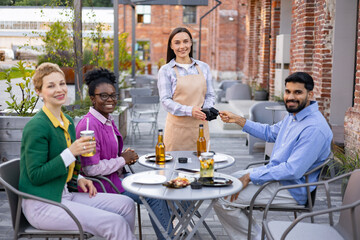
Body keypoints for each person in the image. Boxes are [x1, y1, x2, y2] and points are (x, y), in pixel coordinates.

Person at [19, 63, 136, 240]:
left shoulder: (66, 121)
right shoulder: (36, 126)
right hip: (42, 204)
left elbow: (62, 165)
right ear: (39, 91)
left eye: (62, 83)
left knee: (127, 204)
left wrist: (79, 178)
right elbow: (36, 175)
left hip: (64, 194)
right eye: (51, 86)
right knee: (114, 222)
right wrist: (71, 152)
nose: (59, 89)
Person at [213, 72, 333, 240]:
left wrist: (251, 175)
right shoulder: (293, 116)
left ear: (310, 94)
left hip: (290, 188)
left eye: (297, 92)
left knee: (222, 198)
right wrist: (239, 120)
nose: (291, 97)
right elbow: (270, 132)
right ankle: (257, 235)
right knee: (223, 185)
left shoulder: (314, 128)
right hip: (275, 177)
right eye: (288, 91)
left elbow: (292, 170)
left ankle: (257, 237)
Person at [76, 68, 173, 239]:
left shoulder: (106, 119)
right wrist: (122, 159)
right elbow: (91, 169)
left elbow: (106, 153)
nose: (110, 100)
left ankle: (172, 229)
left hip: (117, 178)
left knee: (162, 185)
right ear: (92, 98)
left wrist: (123, 156)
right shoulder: (89, 126)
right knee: (155, 196)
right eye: (103, 96)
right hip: (102, 185)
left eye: (113, 95)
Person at [157, 27, 216, 151]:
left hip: (200, 128)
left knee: (201, 167)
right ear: (171, 46)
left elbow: (210, 95)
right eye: (177, 43)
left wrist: (206, 109)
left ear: (191, 43)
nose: (182, 46)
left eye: (185, 41)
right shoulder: (166, 70)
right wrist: (190, 110)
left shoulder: (204, 67)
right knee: (174, 168)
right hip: (176, 131)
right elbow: (165, 101)